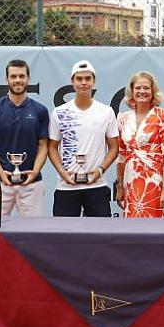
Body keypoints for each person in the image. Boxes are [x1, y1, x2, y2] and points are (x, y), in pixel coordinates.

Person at [48, 60, 119, 217]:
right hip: (66, 186)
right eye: (79, 79)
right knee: (63, 235)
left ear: (94, 81)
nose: (84, 83)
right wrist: (62, 172)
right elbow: (52, 147)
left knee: (101, 237)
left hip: (97, 186)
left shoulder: (106, 112)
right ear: (72, 82)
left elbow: (114, 147)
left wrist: (99, 171)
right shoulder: (59, 112)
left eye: (88, 78)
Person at [0, 59, 50, 216]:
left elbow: (43, 146)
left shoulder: (40, 110)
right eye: (13, 76)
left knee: (34, 234)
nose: (18, 80)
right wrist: (0, 173)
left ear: (28, 79)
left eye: (21, 76)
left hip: (32, 184)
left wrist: (34, 172)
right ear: (7, 80)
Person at [115, 71, 164, 218]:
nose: (142, 91)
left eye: (146, 88)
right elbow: (121, 156)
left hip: (154, 181)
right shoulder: (123, 118)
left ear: (153, 91)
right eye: (138, 88)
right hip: (130, 180)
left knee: (156, 228)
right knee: (131, 227)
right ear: (132, 91)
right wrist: (120, 187)